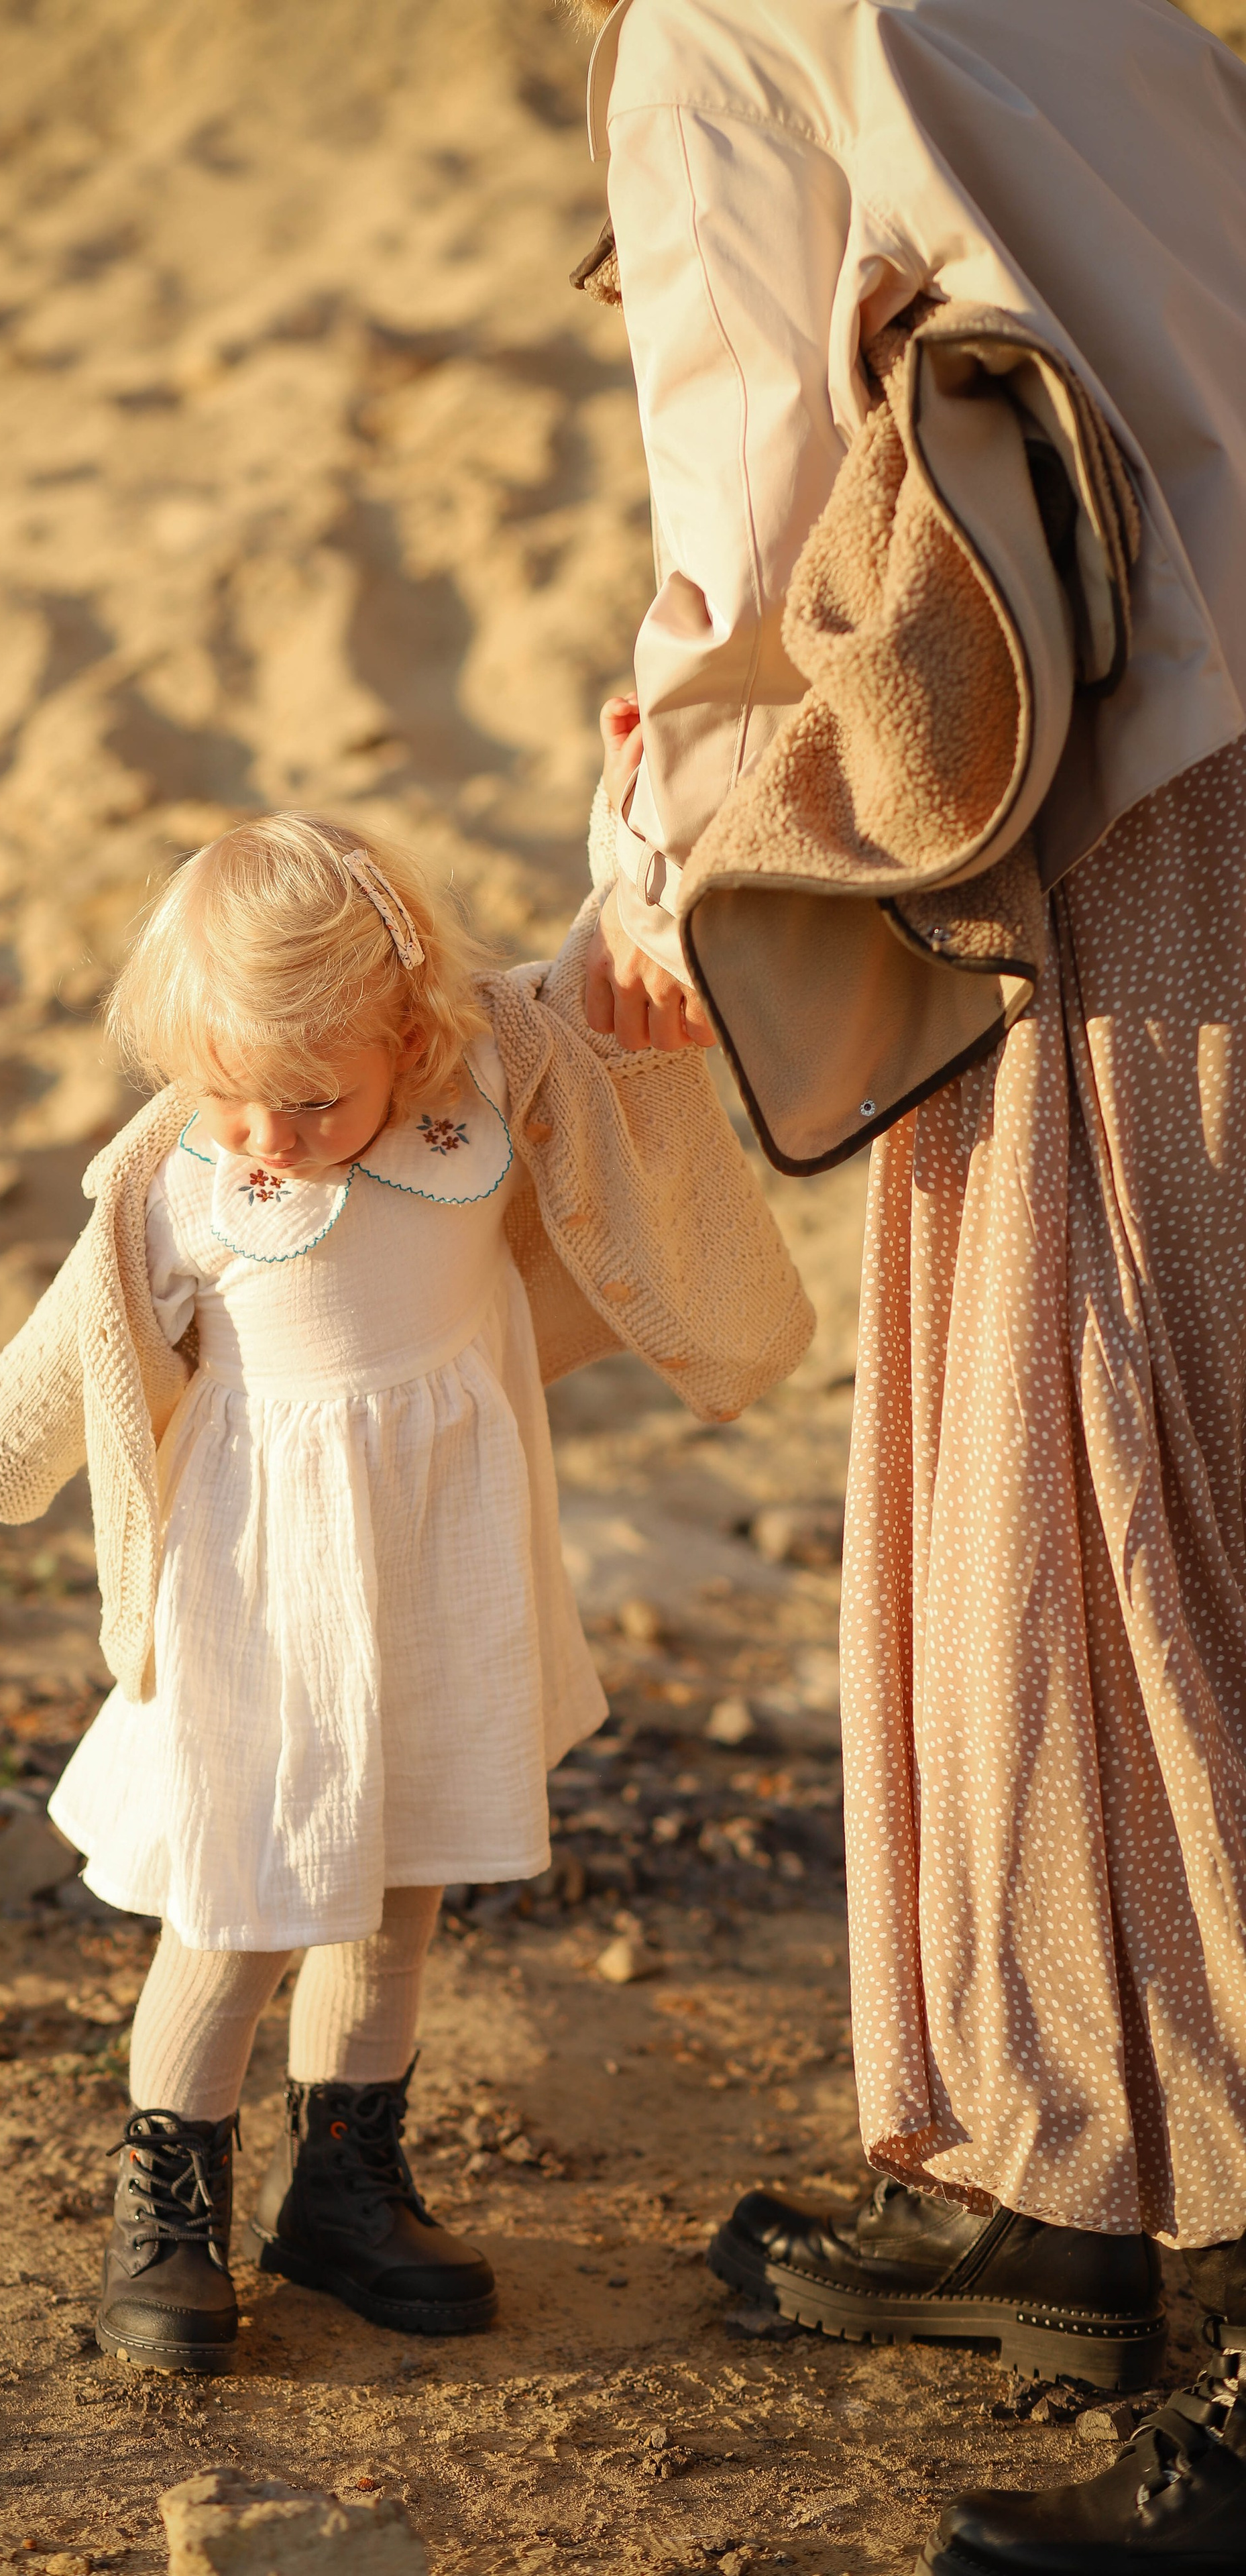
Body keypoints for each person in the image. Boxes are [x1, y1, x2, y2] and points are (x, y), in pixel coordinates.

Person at [571, 1, 1246, 2565]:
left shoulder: (735, 24)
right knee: (1126, 1478)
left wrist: (658, 867)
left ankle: (1139, 2220)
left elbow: (751, 513)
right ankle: (1075, 2170)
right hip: (1205, 746)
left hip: (1084, 805)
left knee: (1098, 1500)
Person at [0, 810, 810, 2375]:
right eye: (226, 1097)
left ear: (408, 1027)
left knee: (396, 1888)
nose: (267, 1139)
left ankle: (347, 2191)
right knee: (237, 1906)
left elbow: (593, 973)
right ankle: (168, 2204)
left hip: (441, 1570)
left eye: (309, 1098)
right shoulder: (190, 1186)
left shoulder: (479, 1084)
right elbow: (74, 1341)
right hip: (265, 1595)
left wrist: (649, 838)